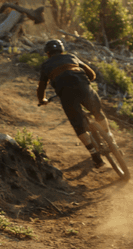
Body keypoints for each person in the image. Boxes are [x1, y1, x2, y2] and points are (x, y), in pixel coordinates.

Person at [36, 38, 111, 169]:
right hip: (84, 88)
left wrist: (42, 100)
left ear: (47, 53)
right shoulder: (71, 57)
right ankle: (111, 141)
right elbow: (91, 74)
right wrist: (87, 79)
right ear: (62, 50)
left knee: (78, 126)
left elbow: (41, 86)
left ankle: (95, 156)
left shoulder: (46, 65)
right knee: (98, 113)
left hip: (67, 95)